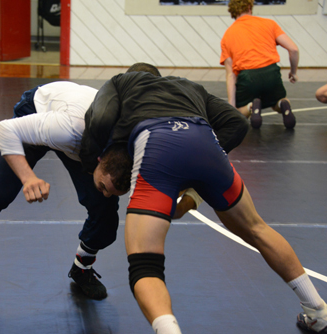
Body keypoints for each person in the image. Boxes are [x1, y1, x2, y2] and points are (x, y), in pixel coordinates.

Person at [80, 67, 327, 333]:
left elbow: (101, 117)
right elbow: (238, 123)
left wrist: (94, 158)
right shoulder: (191, 87)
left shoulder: (123, 81)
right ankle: (317, 310)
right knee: (257, 228)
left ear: (134, 74)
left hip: (156, 147)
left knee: (144, 264)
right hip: (206, 144)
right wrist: (197, 171)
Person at [0, 79, 200, 300]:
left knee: (104, 210)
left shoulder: (137, 150)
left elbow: (179, 175)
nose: (106, 191)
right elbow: (4, 130)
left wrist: (189, 197)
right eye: (103, 185)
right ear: (98, 163)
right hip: (41, 112)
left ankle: (82, 269)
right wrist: (29, 177)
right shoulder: (68, 130)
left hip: (86, 137)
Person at [220, 0, 299, 129]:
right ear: (250, 8)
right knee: (278, 100)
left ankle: (251, 107)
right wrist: (293, 72)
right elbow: (293, 49)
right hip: (271, 72)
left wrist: (232, 107)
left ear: (232, 13)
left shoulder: (227, 35)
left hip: (247, 77)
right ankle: (282, 104)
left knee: (240, 112)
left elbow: (230, 75)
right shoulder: (269, 24)